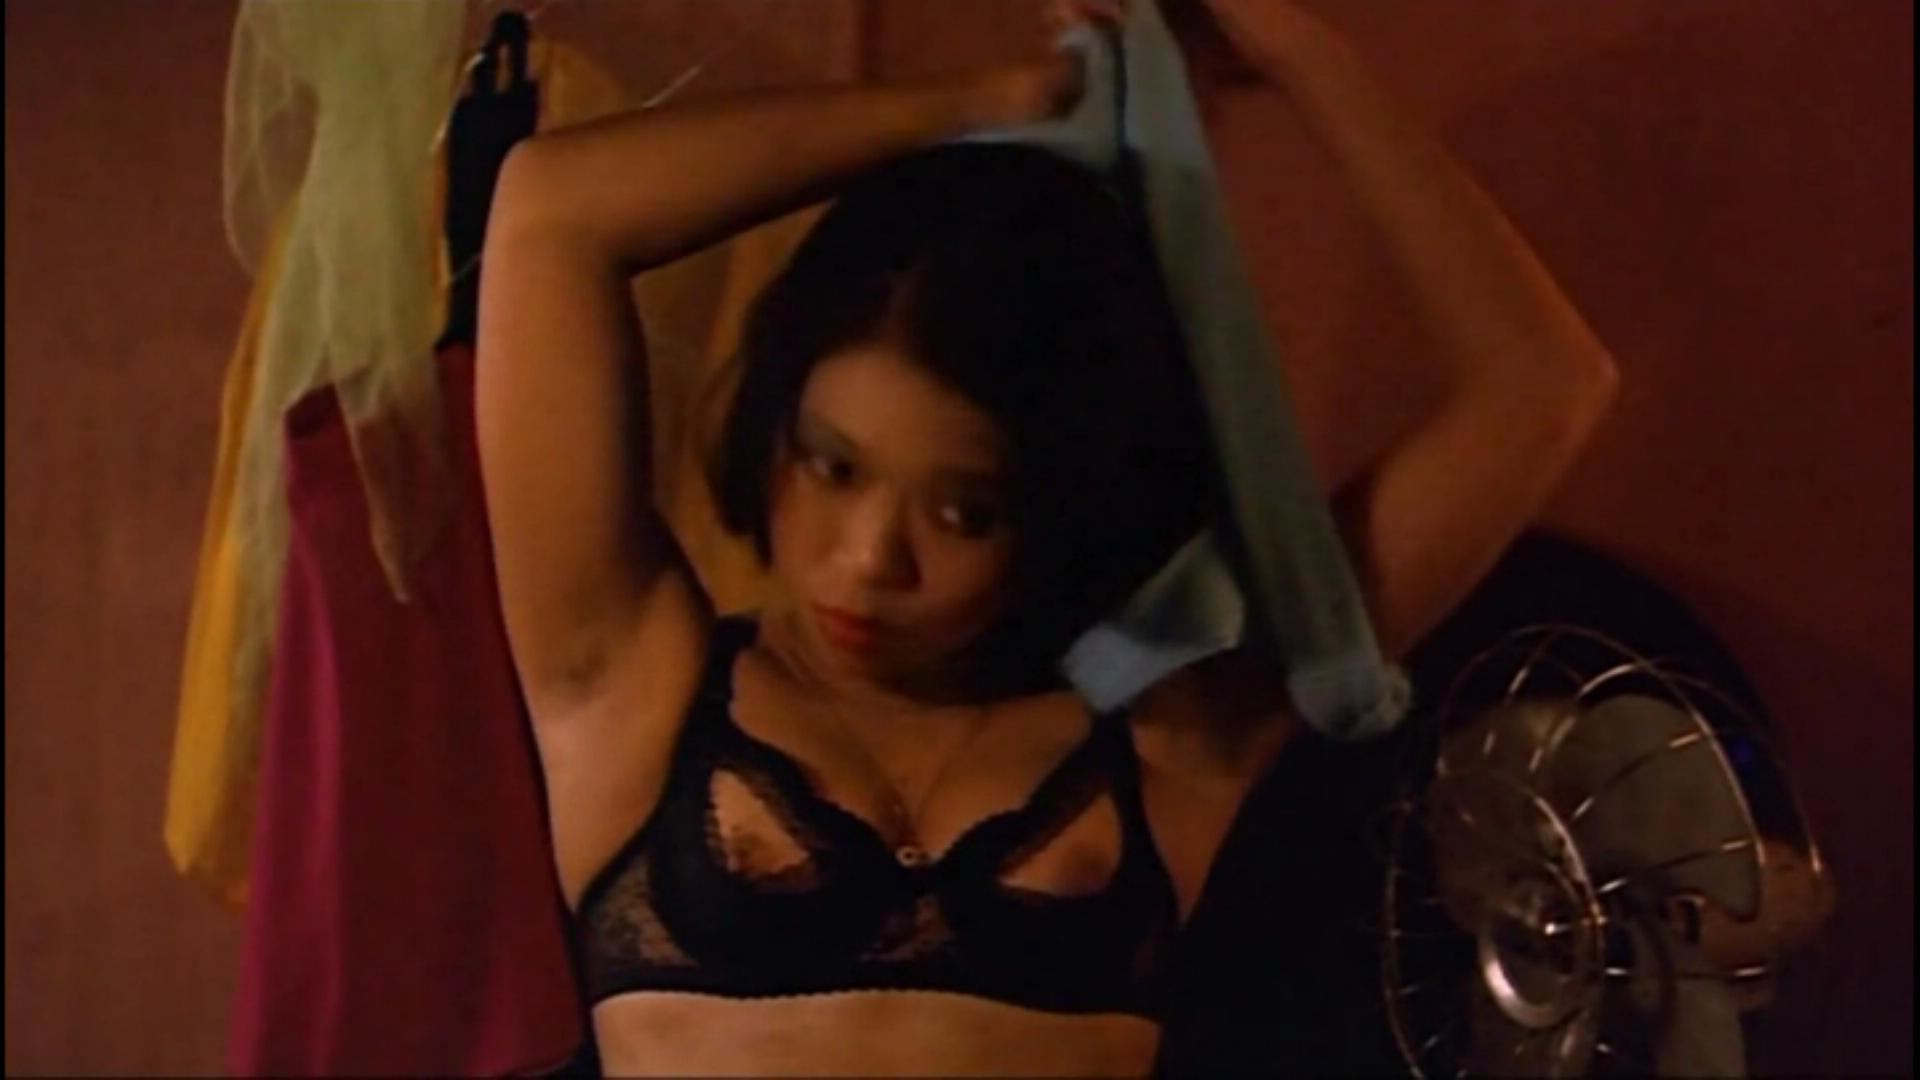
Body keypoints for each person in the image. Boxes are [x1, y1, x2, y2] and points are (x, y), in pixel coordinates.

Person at [474, 0, 1619, 1074]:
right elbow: (552, 209)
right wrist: (988, 104)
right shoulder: (632, 681)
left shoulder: (1177, 729)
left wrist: (1292, 45)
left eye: (962, 511)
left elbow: (1544, 385)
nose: (868, 557)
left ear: (1061, 509)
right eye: (834, 466)